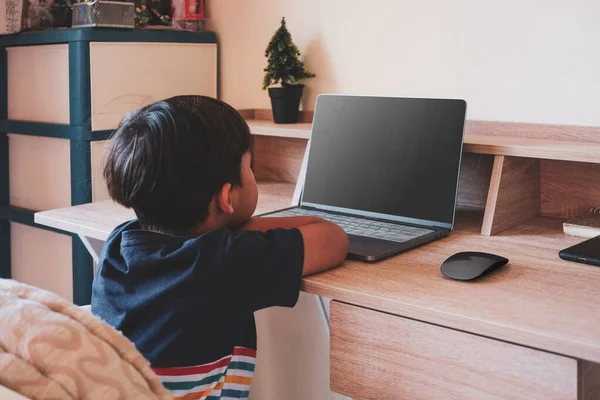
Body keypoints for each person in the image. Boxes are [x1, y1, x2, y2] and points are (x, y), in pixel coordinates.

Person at [91, 95, 348, 400]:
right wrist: (247, 230)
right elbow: (333, 238)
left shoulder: (118, 244)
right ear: (227, 198)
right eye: (249, 167)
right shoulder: (223, 262)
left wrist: (233, 231)